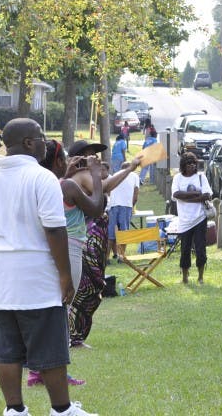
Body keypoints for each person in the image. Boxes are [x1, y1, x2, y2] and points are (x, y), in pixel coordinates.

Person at [0, 118, 96, 416]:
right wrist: (65, 275)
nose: (44, 142)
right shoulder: (42, 178)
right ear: (28, 143)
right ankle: (62, 410)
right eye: (40, 137)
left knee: (6, 349)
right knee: (51, 349)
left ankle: (14, 410)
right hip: (36, 277)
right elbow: (55, 229)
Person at [29, 140, 104, 388]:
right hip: (70, 247)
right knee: (62, 309)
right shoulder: (67, 185)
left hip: (43, 249)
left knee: (48, 309)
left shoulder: (40, 183)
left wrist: (69, 173)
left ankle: (38, 370)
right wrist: (94, 173)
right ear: (59, 161)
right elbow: (96, 207)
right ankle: (55, 370)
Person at [65, 139, 139, 349]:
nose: (97, 158)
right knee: (87, 285)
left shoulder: (88, 176)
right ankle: (72, 336)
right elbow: (106, 185)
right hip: (86, 236)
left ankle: (76, 335)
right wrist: (130, 169)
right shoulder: (82, 176)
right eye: (91, 154)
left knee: (95, 285)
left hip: (97, 236)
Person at [171, 152, 212, 284]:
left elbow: (207, 195)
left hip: (200, 217)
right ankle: (185, 276)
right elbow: (176, 194)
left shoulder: (201, 177)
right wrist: (194, 194)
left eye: (194, 163)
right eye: (189, 164)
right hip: (184, 220)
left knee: (200, 248)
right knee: (185, 249)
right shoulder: (177, 178)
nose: (192, 166)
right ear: (183, 165)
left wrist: (188, 198)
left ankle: (200, 276)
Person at [106, 165, 139, 261]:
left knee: (111, 233)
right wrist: (131, 206)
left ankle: (106, 257)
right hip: (126, 205)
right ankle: (121, 256)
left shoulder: (115, 175)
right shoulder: (134, 175)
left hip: (113, 206)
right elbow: (136, 194)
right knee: (124, 232)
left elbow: (109, 191)